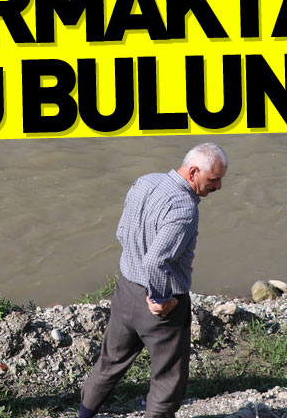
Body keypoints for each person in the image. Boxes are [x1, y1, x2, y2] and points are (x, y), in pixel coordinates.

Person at [76, 143, 229, 418]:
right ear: (194, 172)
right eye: (214, 179)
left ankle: (85, 415)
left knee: (109, 362)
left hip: (125, 292)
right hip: (162, 304)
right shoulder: (184, 209)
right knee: (168, 379)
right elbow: (156, 262)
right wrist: (160, 300)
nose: (218, 187)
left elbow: (122, 232)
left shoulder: (144, 182)